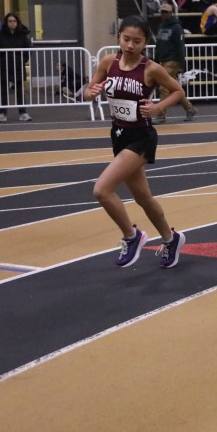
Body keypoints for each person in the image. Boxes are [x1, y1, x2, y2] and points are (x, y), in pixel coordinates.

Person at [83, 16, 186, 269]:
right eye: (126, 39)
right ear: (119, 37)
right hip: (119, 135)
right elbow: (88, 91)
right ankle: (171, 239)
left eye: (137, 41)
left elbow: (178, 91)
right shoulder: (108, 62)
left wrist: (157, 107)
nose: (130, 45)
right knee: (144, 198)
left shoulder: (151, 68)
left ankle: (132, 236)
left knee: (101, 190)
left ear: (145, 42)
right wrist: (90, 92)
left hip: (141, 137)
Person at [153, 3, 196, 124]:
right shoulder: (161, 26)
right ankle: (190, 109)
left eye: (166, 12)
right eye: (162, 12)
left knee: (164, 87)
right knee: (174, 88)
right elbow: (158, 44)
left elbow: (180, 46)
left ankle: (160, 115)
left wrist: (181, 64)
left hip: (172, 60)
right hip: (163, 60)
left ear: (171, 13)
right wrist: (156, 59)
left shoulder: (176, 28)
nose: (164, 14)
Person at [0, 13, 32, 123]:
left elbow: (27, 50)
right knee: (3, 91)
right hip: (3, 66)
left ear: (17, 22)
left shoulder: (22, 35)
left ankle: (23, 113)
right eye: (10, 21)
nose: (12, 23)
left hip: (18, 66)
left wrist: (21, 60)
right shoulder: (0, 35)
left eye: (14, 21)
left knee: (19, 90)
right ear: (6, 22)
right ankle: (2, 113)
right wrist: (1, 60)